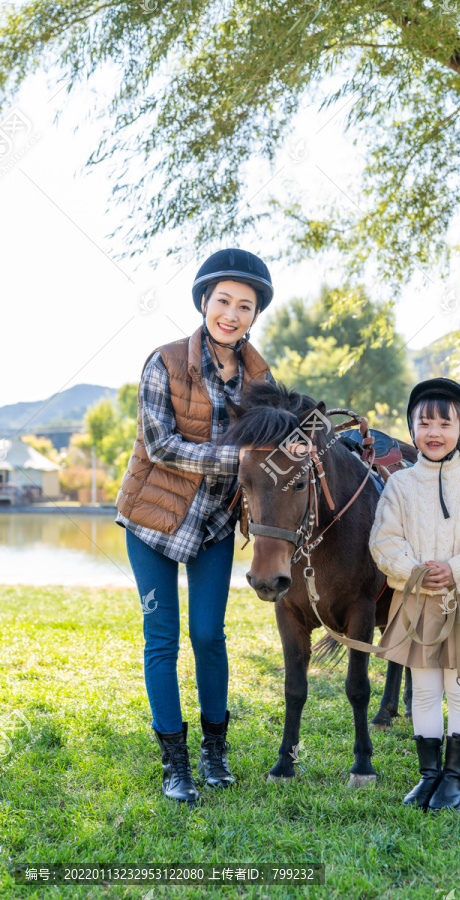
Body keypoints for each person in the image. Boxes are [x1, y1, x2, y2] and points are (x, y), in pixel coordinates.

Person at [114, 248, 277, 805]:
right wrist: (239, 460)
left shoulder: (261, 377)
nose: (231, 314)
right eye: (223, 300)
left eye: (245, 306)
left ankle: (213, 750)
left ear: (255, 315)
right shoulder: (162, 362)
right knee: (161, 640)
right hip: (153, 520)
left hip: (213, 524)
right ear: (204, 301)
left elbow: (269, 449)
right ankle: (175, 762)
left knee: (208, 636)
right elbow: (160, 444)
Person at [368, 377, 460, 812]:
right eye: (424, 422)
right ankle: (429, 774)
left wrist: (455, 568)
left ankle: (455, 778)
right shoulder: (399, 485)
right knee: (426, 691)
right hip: (416, 604)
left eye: (444, 423)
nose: (434, 432)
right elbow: (384, 540)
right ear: (411, 428)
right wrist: (412, 571)